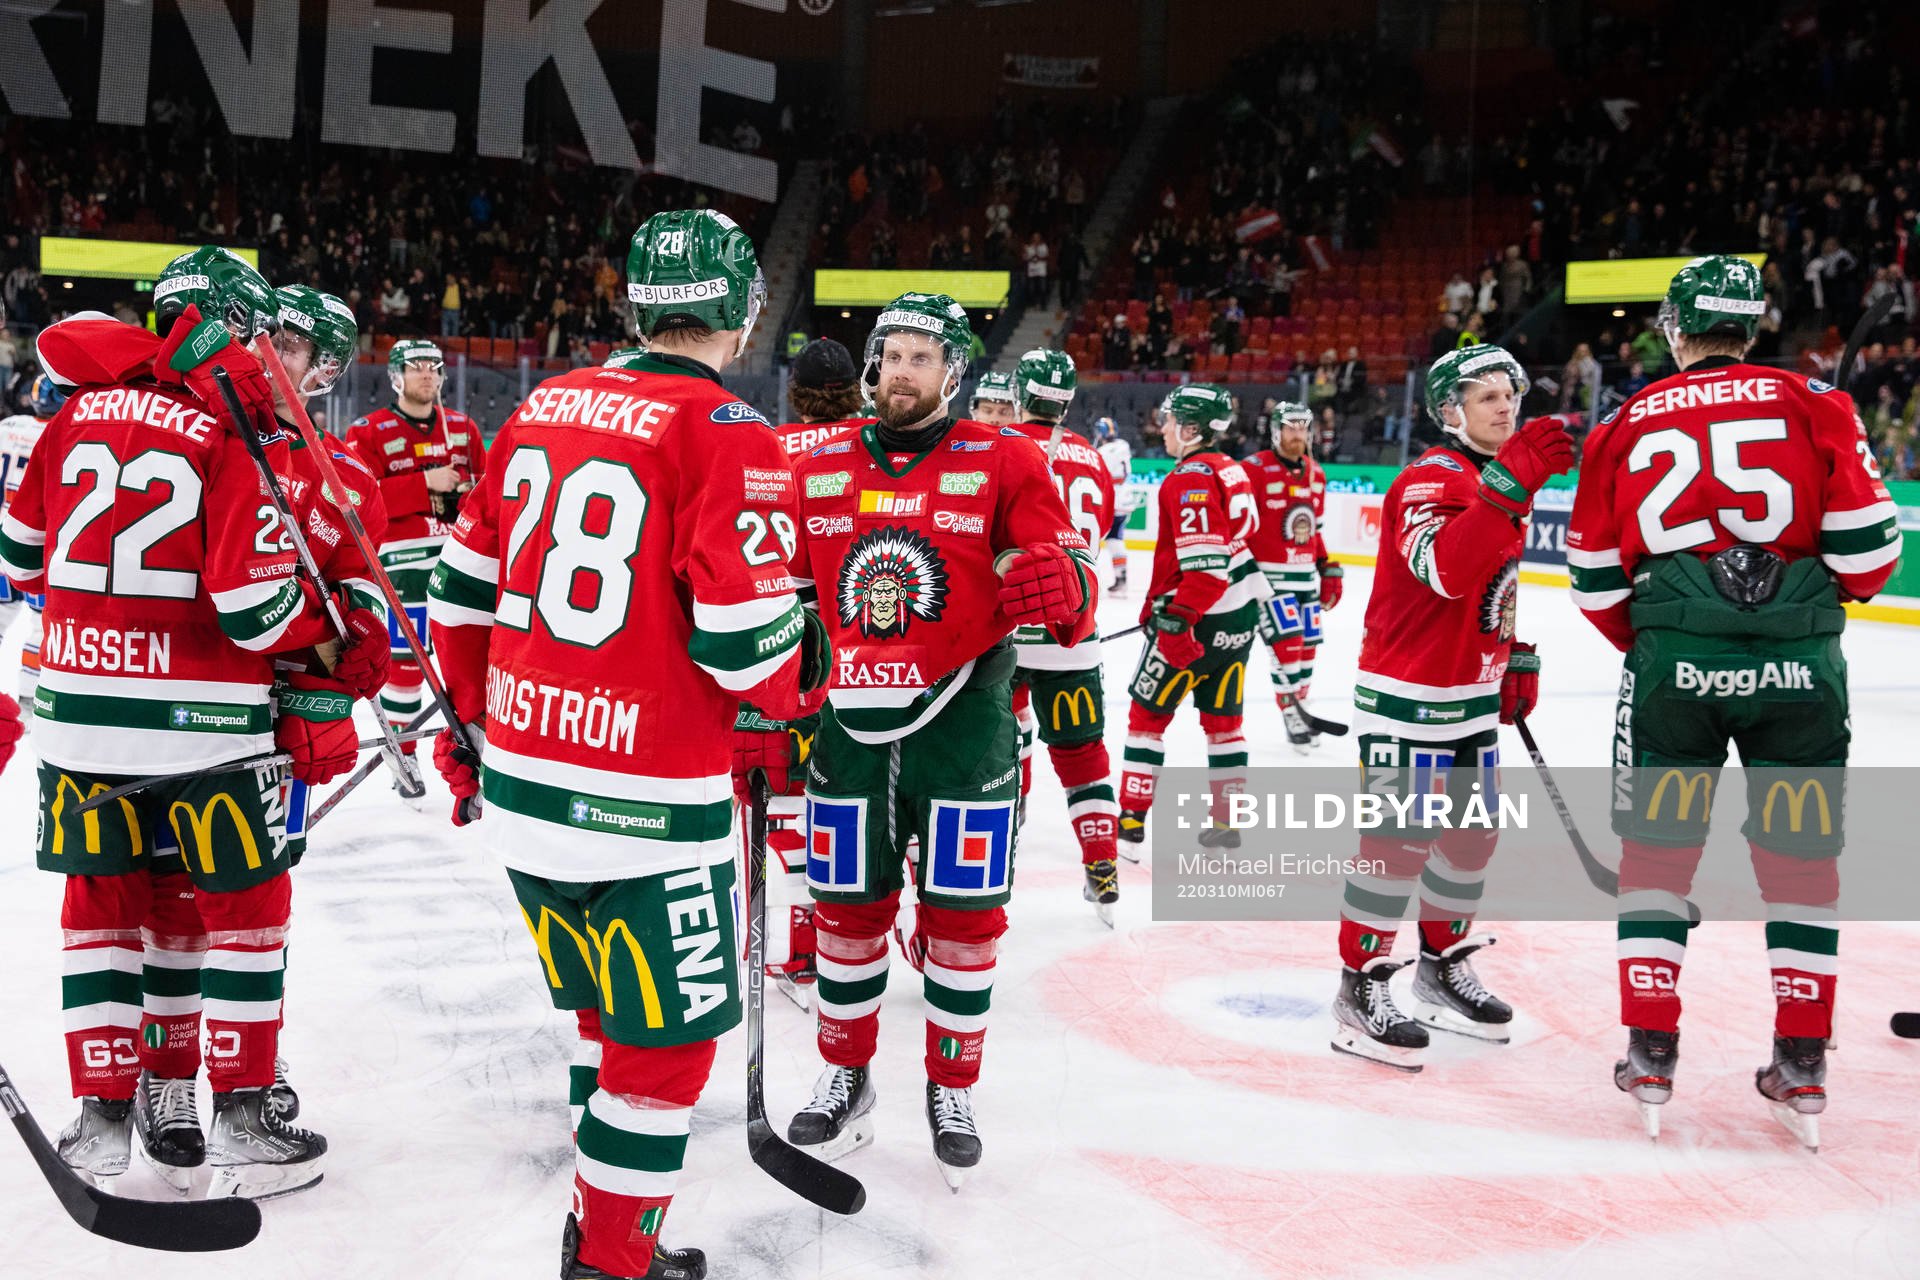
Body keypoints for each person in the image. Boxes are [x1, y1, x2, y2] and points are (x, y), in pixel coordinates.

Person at [427, 209, 829, 1280]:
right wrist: (807, 663)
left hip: (525, 786)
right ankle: (609, 1260)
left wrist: (474, 727)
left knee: (604, 1012)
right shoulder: (731, 431)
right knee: (663, 1047)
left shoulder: (542, 406)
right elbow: (752, 650)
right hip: (649, 806)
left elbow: (456, 593)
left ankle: (596, 1218)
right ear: (741, 313)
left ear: (637, 305)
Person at [0, 247, 387, 1199]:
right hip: (206, 725)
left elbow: (18, 555)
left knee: (102, 915)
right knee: (244, 916)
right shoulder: (231, 428)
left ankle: (105, 1115)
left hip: (79, 723)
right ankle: (244, 1115)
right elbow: (250, 607)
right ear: (235, 327)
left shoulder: (74, 411)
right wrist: (334, 647)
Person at [1567, 254, 1901, 1145]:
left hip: (1675, 677)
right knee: (1801, 865)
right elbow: (1872, 557)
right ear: (1752, 326)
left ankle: (1650, 1051)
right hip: (1800, 681)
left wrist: (1674, 641)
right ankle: (1801, 1061)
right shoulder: (1817, 403)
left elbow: (1595, 580)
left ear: (1674, 328)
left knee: (1658, 860)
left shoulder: (1623, 422)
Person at [776, 293, 1095, 1187]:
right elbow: (779, 593)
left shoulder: (1005, 459)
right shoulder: (821, 462)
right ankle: (846, 1072)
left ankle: (952, 1086)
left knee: (962, 925)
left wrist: (1063, 586)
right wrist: (764, 689)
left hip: (967, 727)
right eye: (892, 355)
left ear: (953, 372)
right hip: (847, 732)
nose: (903, 371)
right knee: (845, 916)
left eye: (923, 356)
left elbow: (1065, 569)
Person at [125, 281, 393, 1191]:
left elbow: (355, 591)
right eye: (267, 334)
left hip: (256, 728)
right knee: (170, 901)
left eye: (295, 346)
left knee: (248, 909)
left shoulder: (346, 479)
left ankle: (248, 1066)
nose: (271, 353)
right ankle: (167, 1084)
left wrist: (338, 670)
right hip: (169, 710)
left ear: (322, 375)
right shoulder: (197, 433)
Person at [1333, 344, 1572, 1072]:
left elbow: (1488, 583)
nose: (1507, 405)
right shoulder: (1427, 479)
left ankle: (1441, 968)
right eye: (1488, 396)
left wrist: (1510, 652)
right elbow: (1445, 570)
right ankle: (1360, 986)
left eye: (1511, 393)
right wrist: (1512, 484)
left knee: (1470, 842)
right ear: (1449, 411)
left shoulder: (1490, 478)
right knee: (1396, 849)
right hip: (1409, 700)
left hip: (1466, 696)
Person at [762, 337, 873, 1011]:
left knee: (787, 799)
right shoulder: (883, 442)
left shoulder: (774, 449)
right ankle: (875, 931)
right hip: (881, 648)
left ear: (795, 392)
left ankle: (808, 944)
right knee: (871, 801)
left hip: (795, 650)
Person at [1115, 385, 1266, 849]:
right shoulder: (1232, 469)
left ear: (1192, 427)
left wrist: (1177, 619)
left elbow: (1206, 569)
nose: (1162, 427)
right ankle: (1227, 822)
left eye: (1169, 419)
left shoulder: (1190, 478)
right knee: (1225, 724)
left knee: (1146, 718)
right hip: (1239, 620)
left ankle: (1130, 824)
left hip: (1195, 620)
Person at [1004, 348, 1120, 924]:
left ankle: (994, 866)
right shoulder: (1095, 460)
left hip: (1005, 630)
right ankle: (1103, 866)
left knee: (990, 752)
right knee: (1083, 755)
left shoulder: (997, 443)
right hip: (1077, 629)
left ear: (1021, 391)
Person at [345, 339, 484, 773]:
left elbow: (488, 491)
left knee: (473, 656)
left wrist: (467, 492)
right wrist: (424, 485)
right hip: (402, 562)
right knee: (407, 659)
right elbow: (353, 500)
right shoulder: (368, 431)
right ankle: (402, 748)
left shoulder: (462, 427)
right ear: (395, 376)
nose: (427, 373)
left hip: (459, 556)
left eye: (434, 366)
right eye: (416, 366)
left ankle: (475, 744)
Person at [1240, 402, 1342, 751]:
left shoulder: (1316, 473)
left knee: (1309, 648)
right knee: (1288, 648)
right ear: (1276, 431)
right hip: (1268, 580)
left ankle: (1301, 705)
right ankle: (1291, 713)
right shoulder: (1253, 469)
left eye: (1303, 428)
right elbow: (1237, 528)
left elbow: (1316, 531)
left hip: (1304, 581)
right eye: (1290, 428)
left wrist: (1328, 566)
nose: (1298, 434)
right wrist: (1243, 571)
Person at [0, 373, 62, 709]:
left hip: (1, 538)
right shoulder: (61, 432)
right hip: (37, 544)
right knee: (40, 627)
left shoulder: (8, 426)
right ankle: (27, 701)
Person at [1092, 416, 1136, 591]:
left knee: (1096, 538)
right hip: (1124, 496)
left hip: (1110, 498)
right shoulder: (1123, 445)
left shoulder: (1104, 451)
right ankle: (1121, 575)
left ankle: (1093, 578)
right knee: (1115, 539)